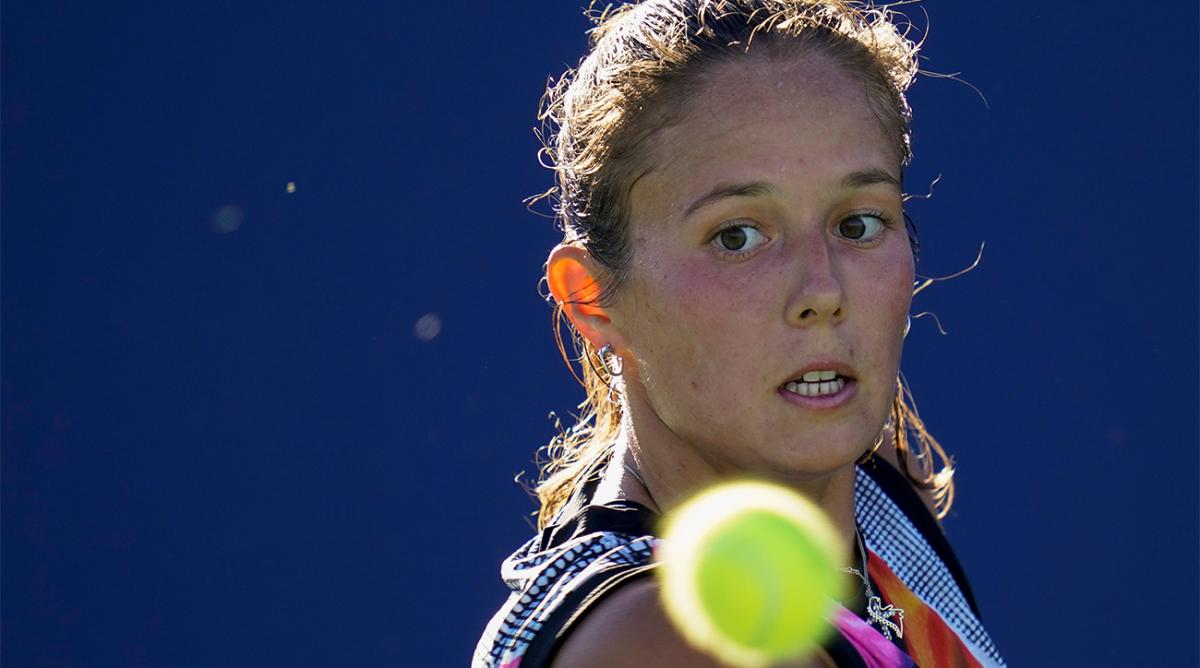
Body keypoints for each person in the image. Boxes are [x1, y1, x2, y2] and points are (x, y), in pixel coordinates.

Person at [475, 1, 1005, 666]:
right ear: (592, 299)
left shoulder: (876, 492)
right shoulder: (663, 643)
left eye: (859, 223)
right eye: (738, 236)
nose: (823, 291)